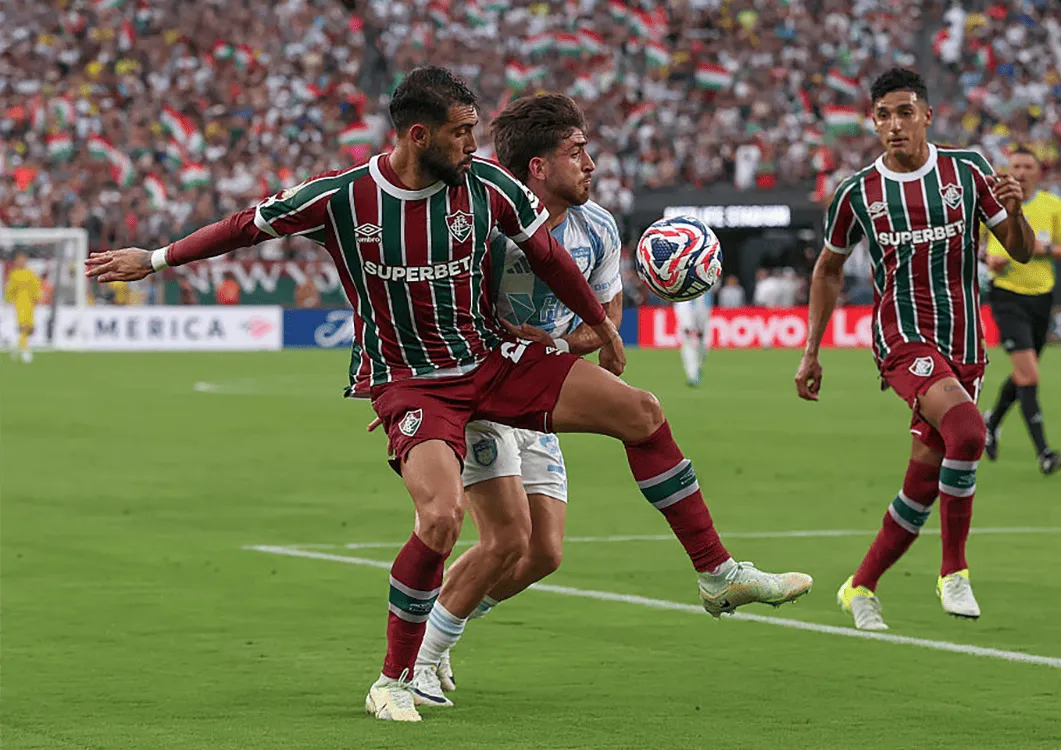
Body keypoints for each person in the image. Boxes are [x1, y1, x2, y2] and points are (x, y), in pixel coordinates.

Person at [86, 67, 812, 723]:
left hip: (491, 362)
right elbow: (247, 226)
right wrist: (153, 259)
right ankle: (394, 678)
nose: (474, 145)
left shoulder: (490, 190)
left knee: (643, 413)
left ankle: (717, 575)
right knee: (441, 520)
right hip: (410, 384)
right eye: (463, 133)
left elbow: (551, 259)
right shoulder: (345, 197)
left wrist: (599, 326)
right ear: (417, 135)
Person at [393, 93, 626, 707]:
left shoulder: (597, 228)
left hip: (538, 384)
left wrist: (558, 340)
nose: (590, 164)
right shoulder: (481, 221)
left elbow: (605, 320)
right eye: (577, 152)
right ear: (538, 167)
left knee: (545, 552)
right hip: (478, 388)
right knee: (505, 538)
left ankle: (441, 630)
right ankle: (421, 656)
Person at [794, 68, 1034, 631]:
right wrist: (811, 349)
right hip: (903, 341)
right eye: (883, 115)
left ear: (927, 115)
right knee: (971, 432)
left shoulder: (968, 170)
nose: (894, 125)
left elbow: (1020, 253)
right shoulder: (857, 193)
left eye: (904, 112)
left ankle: (860, 587)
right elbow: (827, 270)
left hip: (964, 344)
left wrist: (1017, 211)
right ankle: (954, 572)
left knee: (922, 486)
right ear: (873, 123)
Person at [981, 148, 1061, 475]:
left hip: (1041, 296)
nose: (1020, 172)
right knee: (1030, 375)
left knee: (1024, 372)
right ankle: (1045, 453)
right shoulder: (992, 203)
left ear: (1038, 172)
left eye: (1027, 166)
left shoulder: (1052, 206)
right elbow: (971, 243)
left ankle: (990, 422)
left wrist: (1040, 248)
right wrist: (986, 258)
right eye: (1015, 166)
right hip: (1006, 293)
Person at [4, 254, 41, 363]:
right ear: (16, 262)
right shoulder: (14, 274)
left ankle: (16, 347)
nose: (21, 263)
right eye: (19, 261)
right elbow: (10, 289)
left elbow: (36, 286)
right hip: (19, 302)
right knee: (23, 326)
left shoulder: (30, 273)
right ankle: (25, 351)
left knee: (29, 327)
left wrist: (37, 298)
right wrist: (10, 300)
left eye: (23, 261)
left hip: (30, 303)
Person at [675, 291, 713, 387]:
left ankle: (699, 366)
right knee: (687, 340)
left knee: (703, 340)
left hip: (702, 302)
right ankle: (692, 375)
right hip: (684, 302)